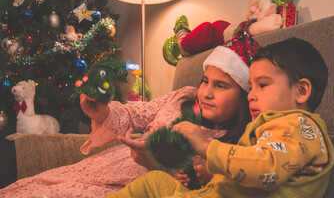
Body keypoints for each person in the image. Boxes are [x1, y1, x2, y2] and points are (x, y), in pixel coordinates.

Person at [0, 19, 264, 197]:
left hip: (129, 188)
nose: (206, 91)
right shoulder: (185, 97)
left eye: (221, 86)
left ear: (244, 96)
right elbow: (136, 113)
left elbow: (195, 190)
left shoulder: (231, 146)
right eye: (206, 80)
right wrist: (103, 112)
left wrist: (158, 165)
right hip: (103, 166)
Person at [104, 37, 334, 198]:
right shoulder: (272, 128)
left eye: (262, 85)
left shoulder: (300, 127)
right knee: (153, 182)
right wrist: (212, 174)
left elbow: (267, 168)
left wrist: (206, 146)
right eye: (251, 87)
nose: (251, 96)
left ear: (301, 91)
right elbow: (248, 170)